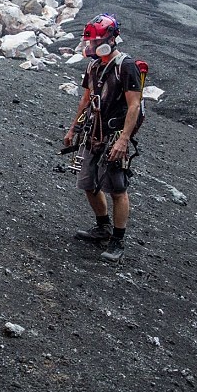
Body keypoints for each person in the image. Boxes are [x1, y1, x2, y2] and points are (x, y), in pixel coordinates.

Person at [63, 14, 143, 262]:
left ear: (110, 39)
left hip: (114, 136)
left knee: (117, 189)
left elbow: (134, 106)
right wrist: (73, 129)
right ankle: (102, 227)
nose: (91, 46)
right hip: (92, 133)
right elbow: (86, 99)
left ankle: (118, 240)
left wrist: (123, 140)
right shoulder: (94, 66)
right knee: (88, 184)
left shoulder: (125, 66)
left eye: (95, 41)